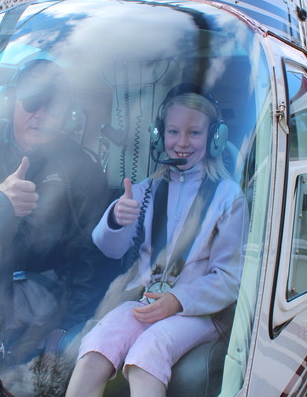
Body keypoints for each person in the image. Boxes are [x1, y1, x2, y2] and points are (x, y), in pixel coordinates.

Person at [65, 84, 247, 397]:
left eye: (195, 133)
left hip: (198, 311)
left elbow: (229, 278)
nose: (182, 143)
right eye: (174, 132)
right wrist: (117, 219)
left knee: (147, 354)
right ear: (159, 136)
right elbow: (109, 247)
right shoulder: (146, 189)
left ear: (215, 137)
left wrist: (179, 300)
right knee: (98, 342)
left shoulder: (228, 198)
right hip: (145, 300)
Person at [0, 59, 116, 355]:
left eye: (53, 106)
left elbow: (90, 258)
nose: (41, 115)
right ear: (11, 101)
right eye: (33, 100)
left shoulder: (82, 169)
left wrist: (70, 328)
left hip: (37, 301)